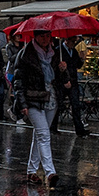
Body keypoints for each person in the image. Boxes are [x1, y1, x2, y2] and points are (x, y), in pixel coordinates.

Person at [13, 29, 61, 186]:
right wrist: (22, 104)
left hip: (50, 99)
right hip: (33, 99)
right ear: (35, 36)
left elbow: (60, 79)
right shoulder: (26, 54)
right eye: (42, 36)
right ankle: (50, 172)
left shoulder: (54, 54)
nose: (46, 39)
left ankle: (31, 171)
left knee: (39, 135)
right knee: (44, 134)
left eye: (48, 36)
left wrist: (63, 70)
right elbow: (18, 82)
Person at [57, 37, 90, 136]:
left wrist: (81, 59)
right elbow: (55, 69)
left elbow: (78, 65)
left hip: (73, 81)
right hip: (63, 82)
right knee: (59, 105)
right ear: (66, 40)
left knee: (76, 105)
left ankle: (79, 129)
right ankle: (53, 127)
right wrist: (64, 80)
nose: (74, 43)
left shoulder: (74, 51)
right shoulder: (59, 51)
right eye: (72, 41)